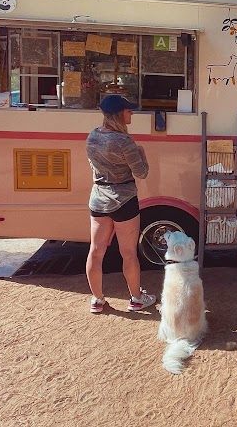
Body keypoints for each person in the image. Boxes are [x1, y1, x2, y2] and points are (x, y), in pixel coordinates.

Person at [85, 94, 156, 314]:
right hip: (124, 200)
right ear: (119, 114)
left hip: (99, 199)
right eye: (128, 110)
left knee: (96, 252)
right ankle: (136, 299)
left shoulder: (93, 137)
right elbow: (141, 173)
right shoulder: (125, 142)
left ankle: (97, 300)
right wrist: (142, 153)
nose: (132, 113)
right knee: (128, 253)